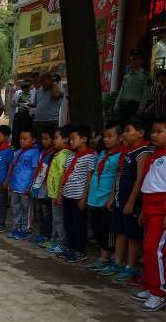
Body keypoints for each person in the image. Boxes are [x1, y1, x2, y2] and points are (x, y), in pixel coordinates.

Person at [103, 119, 152, 282]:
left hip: (132, 201)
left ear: (140, 133)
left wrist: (131, 201)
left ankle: (130, 266)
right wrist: (112, 196)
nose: (124, 134)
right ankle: (117, 262)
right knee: (119, 231)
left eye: (128, 130)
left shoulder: (143, 152)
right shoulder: (127, 152)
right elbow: (118, 176)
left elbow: (140, 179)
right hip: (119, 198)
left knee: (132, 235)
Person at [133, 119, 166, 311]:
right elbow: (150, 185)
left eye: (159, 131)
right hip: (150, 207)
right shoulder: (154, 156)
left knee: (153, 249)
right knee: (150, 250)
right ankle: (149, 284)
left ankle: (158, 292)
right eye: (152, 131)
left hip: (161, 209)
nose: (154, 135)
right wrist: (144, 210)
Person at [85, 123, 123, 271]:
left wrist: (112, 197)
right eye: (105, 136)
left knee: (107, 231)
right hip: (95, 198)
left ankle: (106, 258)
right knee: (97, 228)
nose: (106, 140)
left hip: (106, 200)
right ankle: (103, 257)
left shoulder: (121, 155)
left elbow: (116, 178)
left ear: (120, 138)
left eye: (110, 136)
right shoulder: (102, 154)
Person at [58, 126, 97, 263]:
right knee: (69, 223)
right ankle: (71, 247)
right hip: (67, 194)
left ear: (84, 139)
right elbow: (64, 175)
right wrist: (60, 193)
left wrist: (84, 198)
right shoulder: (71, 156)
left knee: (79, 224)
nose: (71, 142)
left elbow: (89, 178)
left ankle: (80, 250)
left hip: (78, 197)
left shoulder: (90, 157)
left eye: (74, 139)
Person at [5, 128, 40, 240]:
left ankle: (25, 229)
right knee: (15, 208)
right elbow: (12, 167)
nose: (22, 141)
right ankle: (16, 228)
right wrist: (8, 180)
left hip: (25, 187)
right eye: (21, 138)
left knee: (27, 210)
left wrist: (30, 186)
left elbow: (35, 170)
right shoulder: (18, 152)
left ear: (33, 140)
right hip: (15, 186)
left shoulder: (35, 153)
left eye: (25, 139)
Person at [44, 127, 72, 254]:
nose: (54, 141)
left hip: (58, 194)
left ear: (65, 139)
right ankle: (54, 239)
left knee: (59, 219)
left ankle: (61, 242)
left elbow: (62, 175)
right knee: (55, 218)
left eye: (56, 138)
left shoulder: (64, 155)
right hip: (53, 192)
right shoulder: (59, 154)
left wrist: (59, 193)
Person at [29, 126, 56, 245]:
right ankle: (42, 234)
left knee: (46, 214)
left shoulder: (53, 154)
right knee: (40, 213)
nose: (44, 141)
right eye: (42, 139)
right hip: (39, 187)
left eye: (46, 139)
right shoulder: (43, 152)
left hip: (46, 188)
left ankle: (47, 235)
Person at [115, 48, 153, 124]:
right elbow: (122, 91)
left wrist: (141, 108)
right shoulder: (127, 76)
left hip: (134, 106)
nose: (133, 61)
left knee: (131, 128)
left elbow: (145, 94)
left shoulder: (146, 76)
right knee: (121, 127)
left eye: (136, 59)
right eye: (132, 59)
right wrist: (117, 102)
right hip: (123, 105)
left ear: (142, 61)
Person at [11, 79, 35, 148]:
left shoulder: (32, 94)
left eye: (26, 87)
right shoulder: (18, 93)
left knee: (25, 132)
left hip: (27, 115)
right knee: (15, 132)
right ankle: (15, 146)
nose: (25, 89)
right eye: (23, 87)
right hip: (18, 114)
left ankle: (24, 146)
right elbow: (13, 103)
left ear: (29, 87)